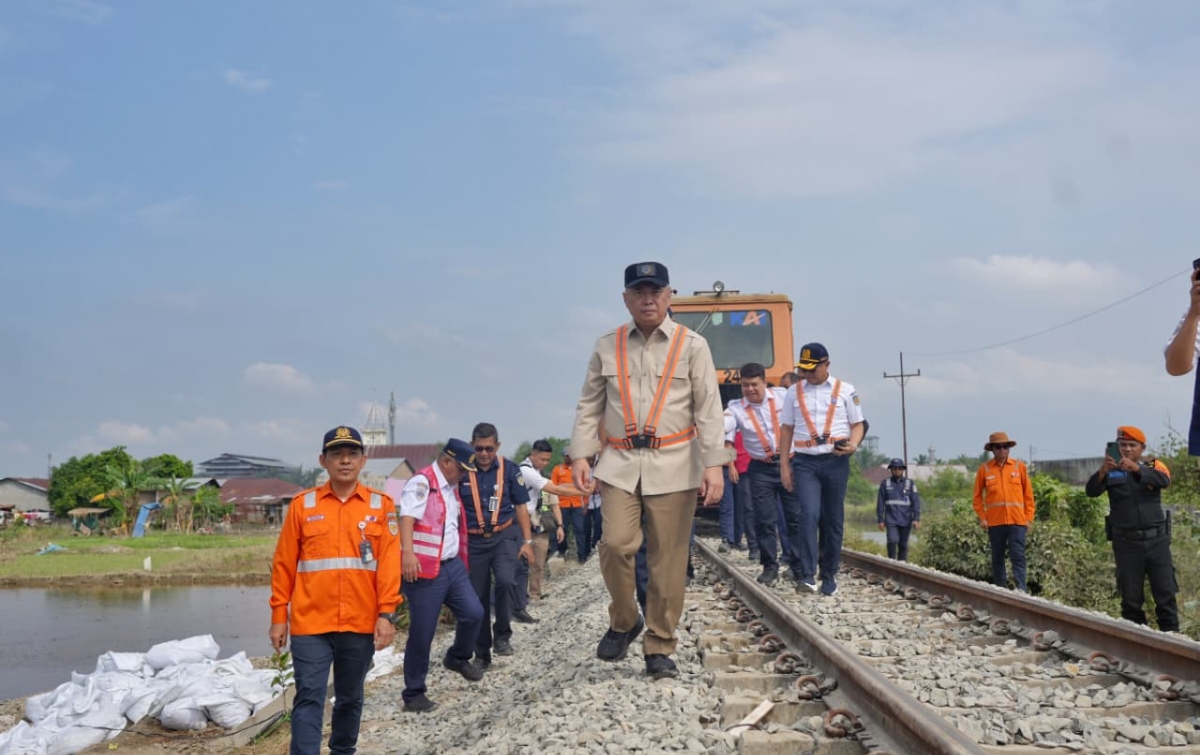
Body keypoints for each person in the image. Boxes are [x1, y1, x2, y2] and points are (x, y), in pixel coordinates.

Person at [570, 261, 729, 680]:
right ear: (626, 298)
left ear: (669, 295)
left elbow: (709, 411)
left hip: (676, 463)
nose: (648, 299)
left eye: (656, 291)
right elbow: (589, 405)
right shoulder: (607, 346)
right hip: (620, 463)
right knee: (616, 544)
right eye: (639, 292)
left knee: (668, 561)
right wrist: (581, 456)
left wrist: (714, 465)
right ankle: (625, 620)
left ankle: (659, 644)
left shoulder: (692, 345)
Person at [269, 426, 400, 755]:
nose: (345, 461)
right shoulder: (303, 506)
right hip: (311, 623)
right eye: (337, 454)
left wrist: (386, 614)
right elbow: (284, 563)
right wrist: (277, 615)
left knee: (350, 698)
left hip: (359, 622)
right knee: (309, 696)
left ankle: (343, 751)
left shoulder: (381, 506)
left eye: (352, 454)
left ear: (363, 461)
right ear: (323, 461)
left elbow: (388, 566)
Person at [397, 439, 485, 713]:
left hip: (452, 565)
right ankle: (413, 694)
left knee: (474, 613)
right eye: (461, 470)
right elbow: (407, 518)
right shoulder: (422, 483)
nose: (464, 475)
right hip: (425, 570)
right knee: (422, 633)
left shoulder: (450, 487)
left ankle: (457, 657)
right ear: (447, 462)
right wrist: (407, 554)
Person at [779, 343, 865, 596]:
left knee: (832, 519)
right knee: (808, 514)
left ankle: (829, 575)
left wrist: (853, 445)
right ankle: (806, 575)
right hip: (805, 462)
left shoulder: (846, 391)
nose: (808, 375)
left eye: (812, 369)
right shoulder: (793, 393)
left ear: (826, 364)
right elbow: (786, 429)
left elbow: (858, 424)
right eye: (803, 370)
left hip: (835, 461)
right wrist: (785, 465)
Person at [1084, 426, 1179, 632]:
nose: (1127, 449)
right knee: (1131, 601)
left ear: (1142, 448)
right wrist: (1102, 471)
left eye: (1131, 445)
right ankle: (1139, 645)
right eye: (1123, 445)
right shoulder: (1110, 470)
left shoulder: (1153, 464)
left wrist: (1137, 469)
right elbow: (1091, 491)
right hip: (1127, 544)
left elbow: (1165, 480)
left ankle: (1174, 642)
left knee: (1166, 597)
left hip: (1157, 542)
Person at [458, 422, 534, 668]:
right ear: (472, 446)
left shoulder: (510, 470)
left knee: (505, 581)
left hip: (504, 536)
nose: (484, 454)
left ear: (497, 446)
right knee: (478, 598)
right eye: (479, 448)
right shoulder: (461, 471)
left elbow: (522, 506)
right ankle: (482, 654)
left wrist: (527, 541)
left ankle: (502, 634)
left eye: (489, 449)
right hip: (473, 541)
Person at [724, 362, 800, 586]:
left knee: (795, 518)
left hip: (789, 463)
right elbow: (724, 422)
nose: (750, 390)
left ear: (764, 382)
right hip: (761, 469)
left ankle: (798, 566)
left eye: (754, 384)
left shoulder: (783, 396)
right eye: (745, 385)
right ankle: (769, 567)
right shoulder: (736, 408)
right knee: (764, 521)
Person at [515, 439, 574, 618]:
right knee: (520, 564)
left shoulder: (541, 477)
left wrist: (560, 525)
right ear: (533, 455)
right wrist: (584, 490)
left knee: (538, 564)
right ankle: (519, 600)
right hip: (522, 525)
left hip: (541, 526)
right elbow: (558, 491)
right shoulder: (524, 472)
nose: (545, 463)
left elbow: (554, 505)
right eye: (542, 459)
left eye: (548, 460)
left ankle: (534, 594)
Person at [972, 431, 1035, 593]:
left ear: (1009, 448)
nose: (1002, 450)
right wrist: (982, 517)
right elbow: (977, 497)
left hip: (1017, 521)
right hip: (995, 522)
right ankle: (1001, 589)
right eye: (998, 447)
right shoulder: (984, 470)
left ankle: (1021, 588)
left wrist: (1028, 519)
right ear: (992, 449)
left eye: (1005, 447)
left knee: (1018, 556)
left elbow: (1028, 495)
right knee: (998, 557)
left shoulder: (1019, 467)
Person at [876, 458, 922, 561]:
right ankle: (891, 562)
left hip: (906, 519)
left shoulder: (910, 484)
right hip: (891, 519)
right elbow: (880, 502)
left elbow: (915, 502)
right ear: (891, 470)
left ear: (903, 470)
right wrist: (880, 519)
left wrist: (916, 519)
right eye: (894, 469)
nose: (897, 471)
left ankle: (902, 565)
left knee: (903, 545)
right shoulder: (885, 483)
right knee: (892, 540)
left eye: (899, 469)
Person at [551, 450, 589, 561]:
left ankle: (582, 556)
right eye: (567, 456)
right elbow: (552, 488)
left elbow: (584, 488)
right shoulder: (557, 470)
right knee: (563, 529)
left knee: (580, 530)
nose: (569, 458)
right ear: (564, 456)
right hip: (563, 505)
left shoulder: (578, 470)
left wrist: (585, 503)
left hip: (577, 504)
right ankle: (562, 552)